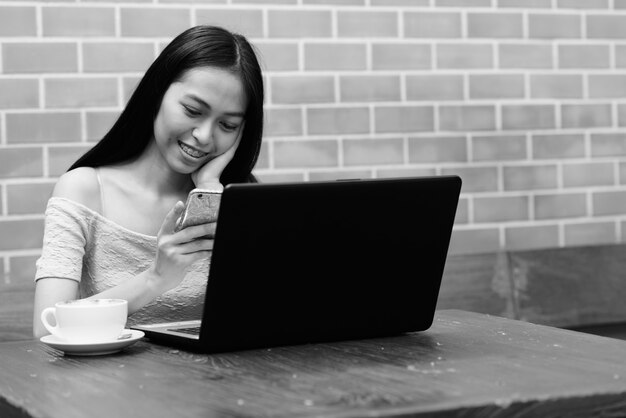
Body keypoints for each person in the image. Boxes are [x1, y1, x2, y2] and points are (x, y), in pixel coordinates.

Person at [32, 25, 264, 338]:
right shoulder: (83, 189)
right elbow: (45, 329)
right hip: (106, 383)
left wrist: (211, 195)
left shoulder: (237, 200)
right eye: (192, 110)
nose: (205, 136)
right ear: (157, 93)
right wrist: (155, 279)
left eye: (227, 124)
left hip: (213, 383)